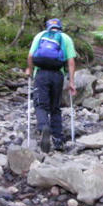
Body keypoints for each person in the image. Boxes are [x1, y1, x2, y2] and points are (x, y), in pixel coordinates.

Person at [25, 18, 77, 152]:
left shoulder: (40, 36)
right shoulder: (66, 38)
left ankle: (43, 128)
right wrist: (71, 82)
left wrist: (30, 70)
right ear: (60, 27)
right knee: (55, 107)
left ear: (47, 27)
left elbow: (30, 56)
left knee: (40, 104)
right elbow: (71, 62)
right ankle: (58, 139)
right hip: (57, 75)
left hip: (41, 74)